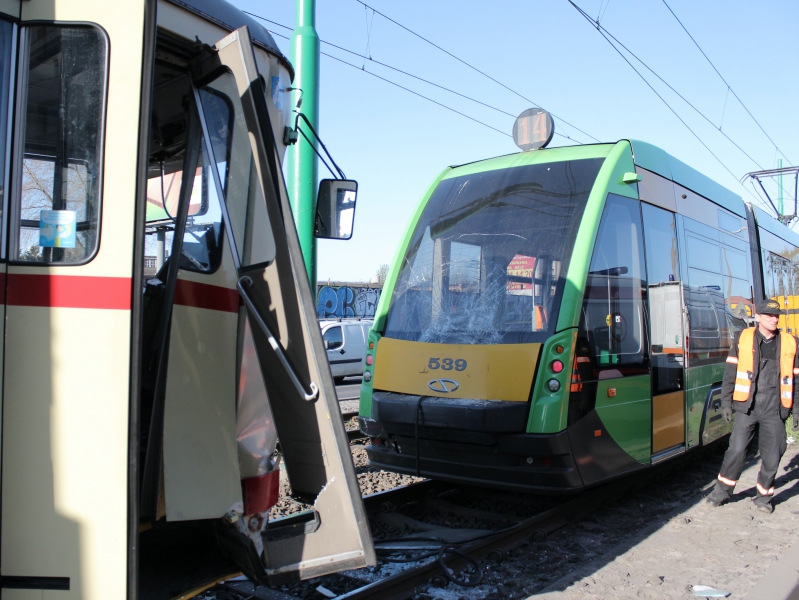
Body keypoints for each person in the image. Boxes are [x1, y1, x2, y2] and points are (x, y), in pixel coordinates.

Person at [706, 298, 799, 513]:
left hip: (775, 409)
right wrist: (726, 402)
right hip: (747, 407)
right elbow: (730, 374)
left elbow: (796, 380)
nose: (774, 319)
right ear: (757, 317)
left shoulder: (791, 342)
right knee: (737, 450)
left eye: (776, 316)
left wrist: (796, 410)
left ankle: (763, 498)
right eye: (769, 315)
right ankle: (721, 492)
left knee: (774, 454)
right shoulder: (743, 338)